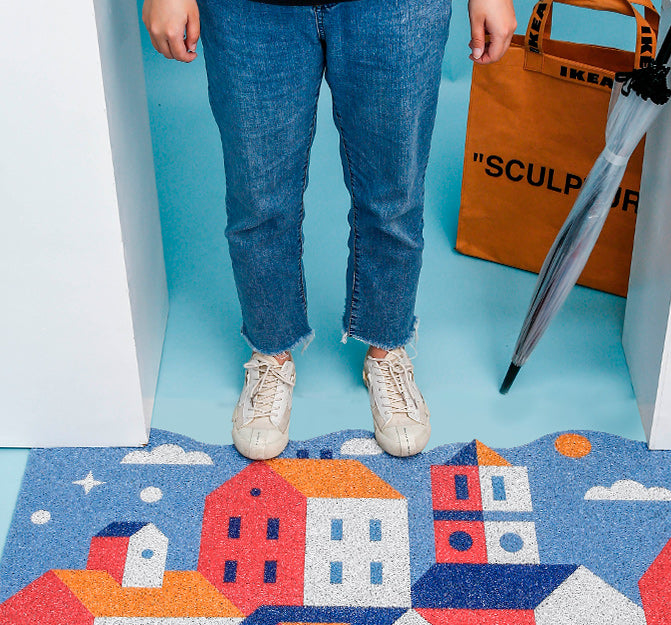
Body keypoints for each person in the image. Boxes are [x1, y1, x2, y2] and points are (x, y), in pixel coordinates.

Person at [142, 0, 516, 459]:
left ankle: (387, 348)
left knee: (394, 196)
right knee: (258, 200)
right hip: (248, 10)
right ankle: (271, 352)